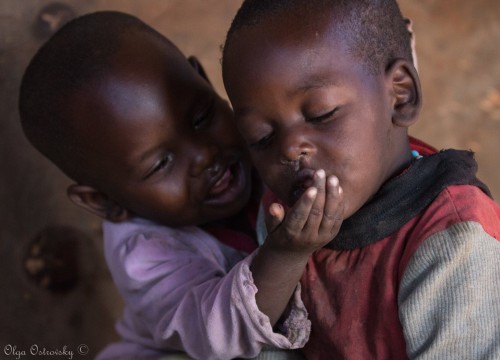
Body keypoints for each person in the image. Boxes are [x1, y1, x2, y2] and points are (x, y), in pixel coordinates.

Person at [18, 10, 345, 360]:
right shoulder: (144, 253)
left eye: (201, 117)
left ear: (201, 77)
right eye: (161, 163)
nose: (205, 155)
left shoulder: (263, 132)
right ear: (104, 201)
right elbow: (219, 335)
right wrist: (284, 255)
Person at [221, 0, 500, 359]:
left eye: (321, 114)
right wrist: (284, 257)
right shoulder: (282, 216)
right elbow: (259, 346)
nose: (289, 149)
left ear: (400, 96)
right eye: (261, 137)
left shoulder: (453, 239)